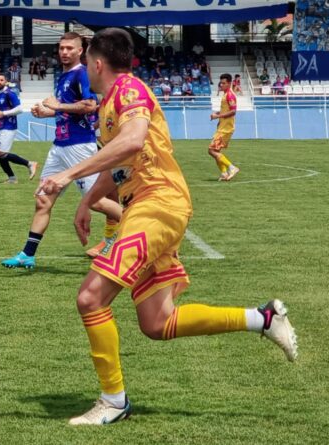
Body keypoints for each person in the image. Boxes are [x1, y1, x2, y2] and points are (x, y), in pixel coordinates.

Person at [35, 28, 297, 426]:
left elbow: (134, 141)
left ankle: (113, 401)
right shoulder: (109, 105)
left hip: (157, 204)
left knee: (91, 298)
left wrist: (67, 176)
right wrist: (87, 203)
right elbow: (118, 164)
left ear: (98, 63)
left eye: (87, 60)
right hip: (147, 206)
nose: (84, 66)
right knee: (158, 323)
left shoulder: (128, 89)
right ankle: (262, 318)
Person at [1, 32, 119, 269]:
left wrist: (57, 105)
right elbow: (70, 109)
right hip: (59, 147)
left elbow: (90, 105)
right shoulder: (64, 76)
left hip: (79, 147)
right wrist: (50, 112)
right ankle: (28, 253)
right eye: (61, 48)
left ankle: (146, 230)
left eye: (69, 48)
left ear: (80, 50)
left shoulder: (82, 74)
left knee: (96, 202)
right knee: (42, 200)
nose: (64, 52)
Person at [0, 74, 38, 184]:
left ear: (6, 81)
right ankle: (12, 178)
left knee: (2, 153)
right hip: (0, 127)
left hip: (9, 126)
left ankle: (29, 163)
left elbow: (19, 109)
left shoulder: (9, 94)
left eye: (1, 80)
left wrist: (4, 113)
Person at [209, 73, 240, 181]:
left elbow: (233, 111)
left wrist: (218, 116)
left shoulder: (230, 95)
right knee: (216, 151)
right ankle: (223, 173)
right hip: (222, 127)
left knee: (211, 150)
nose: (221, 85)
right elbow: (225, 110)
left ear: (229, 83)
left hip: (226, 128)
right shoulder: (225, 94)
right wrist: (217, 115)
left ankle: (232, 168)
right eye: (220, 83)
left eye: (224, 83)